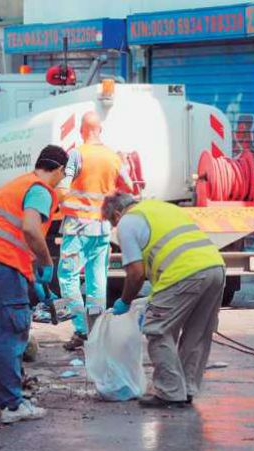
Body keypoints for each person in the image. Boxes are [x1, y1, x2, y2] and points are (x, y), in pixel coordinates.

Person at [0, 145, 68, 423]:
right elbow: (31, 229)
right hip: (1, 266)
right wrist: (46, 263)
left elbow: (8, 235)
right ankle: (12, 405)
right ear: (58, 170)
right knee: (9, 334)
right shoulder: (40, 189)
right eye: (63, 174)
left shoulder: (14, 186)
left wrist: (32, 276)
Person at [102, 193, 226, 408]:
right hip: (215, 267)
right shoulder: (162, 208)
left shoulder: (127, 223)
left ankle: (169, 392)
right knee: (197, 333)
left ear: (117, 213)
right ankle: (186, 390)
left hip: (183, 273)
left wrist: (125, 300)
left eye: (112, 223)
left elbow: (135, 273)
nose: (115, 228)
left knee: (157, 329)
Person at [58, 111, 132, 351]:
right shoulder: (113, 157)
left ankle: (81, 329)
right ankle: (97, 328)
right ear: (100, 130)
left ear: (82, 129)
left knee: (67, 277)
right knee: (97, 279)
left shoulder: (76, 154)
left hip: (78, 226)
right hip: (102, 229)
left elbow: (63, 186)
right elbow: (128, 187)